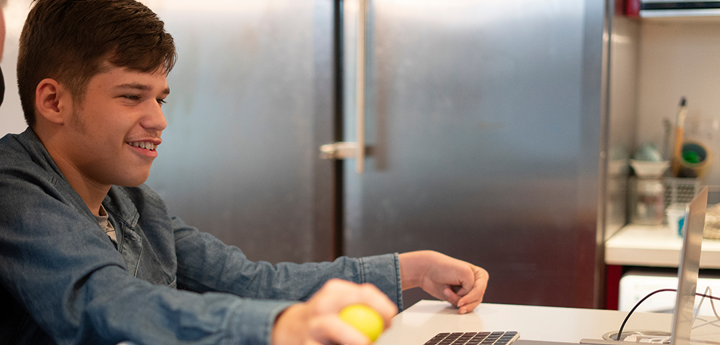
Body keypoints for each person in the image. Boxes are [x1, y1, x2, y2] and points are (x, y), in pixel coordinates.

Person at [0, 0, 489, 344]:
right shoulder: (14, 190)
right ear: (53, 101)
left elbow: (249, 282)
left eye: (161, 97)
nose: (158, 119)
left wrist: (411, 269)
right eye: (132, 96)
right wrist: (278, 328)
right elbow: (104, 301)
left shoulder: (131, 202)